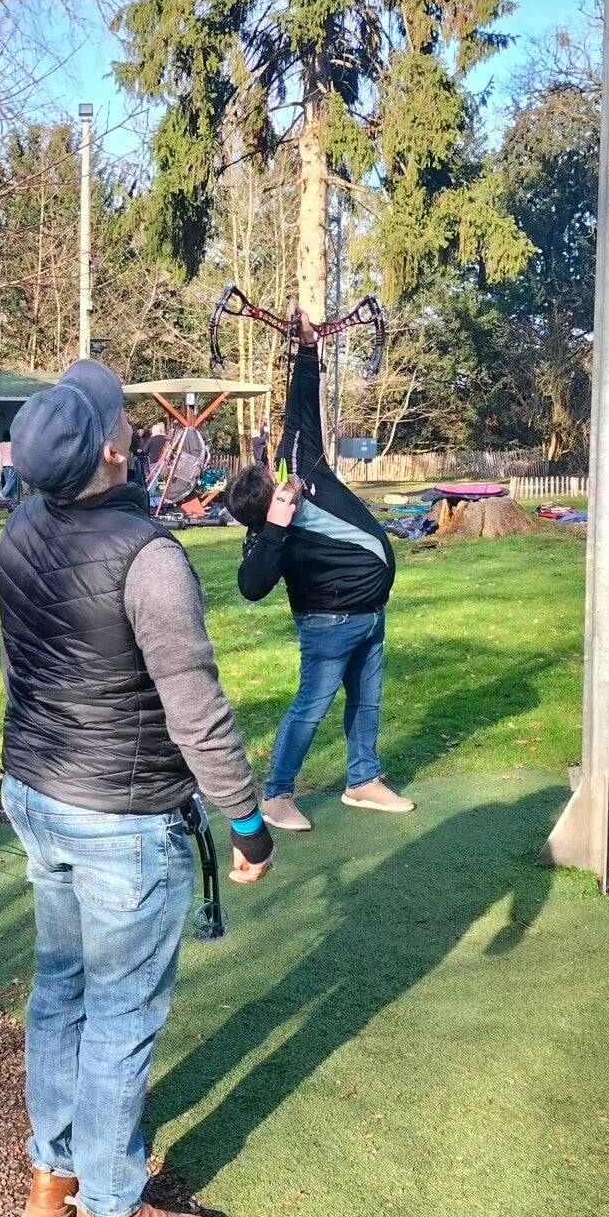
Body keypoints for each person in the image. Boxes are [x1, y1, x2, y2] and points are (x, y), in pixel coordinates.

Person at [0, 358, 273, 1217]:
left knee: (60, 992)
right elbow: (196, 709)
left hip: (39, 792)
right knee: (117, 1018)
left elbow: (21, 668)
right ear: (115, 452)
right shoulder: (150, 558)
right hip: (117, 818)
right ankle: (108, 1216)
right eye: (121, 418)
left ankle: (53, 1179)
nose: (132, 425)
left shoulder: (19, 529)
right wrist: (247, 821)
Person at [223, 308, 406, 831]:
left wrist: (307, 348)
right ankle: (277, 796)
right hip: (328, 624)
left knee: (366, 703)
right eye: (276, 484)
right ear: (269, 504)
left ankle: (363, 781)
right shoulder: (269, 536)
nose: (286, 478)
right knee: (311, 707)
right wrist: (277, 526)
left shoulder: (300, 465)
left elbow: (302, 407)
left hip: (371, 614)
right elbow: (251, 587)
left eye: (276, 472)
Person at [0, 429, 17, 506]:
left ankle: (13, 498)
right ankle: (3, 492)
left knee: (9, 481)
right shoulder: (12, 445)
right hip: (11, 464)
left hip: (2, 465)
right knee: (12, 480)